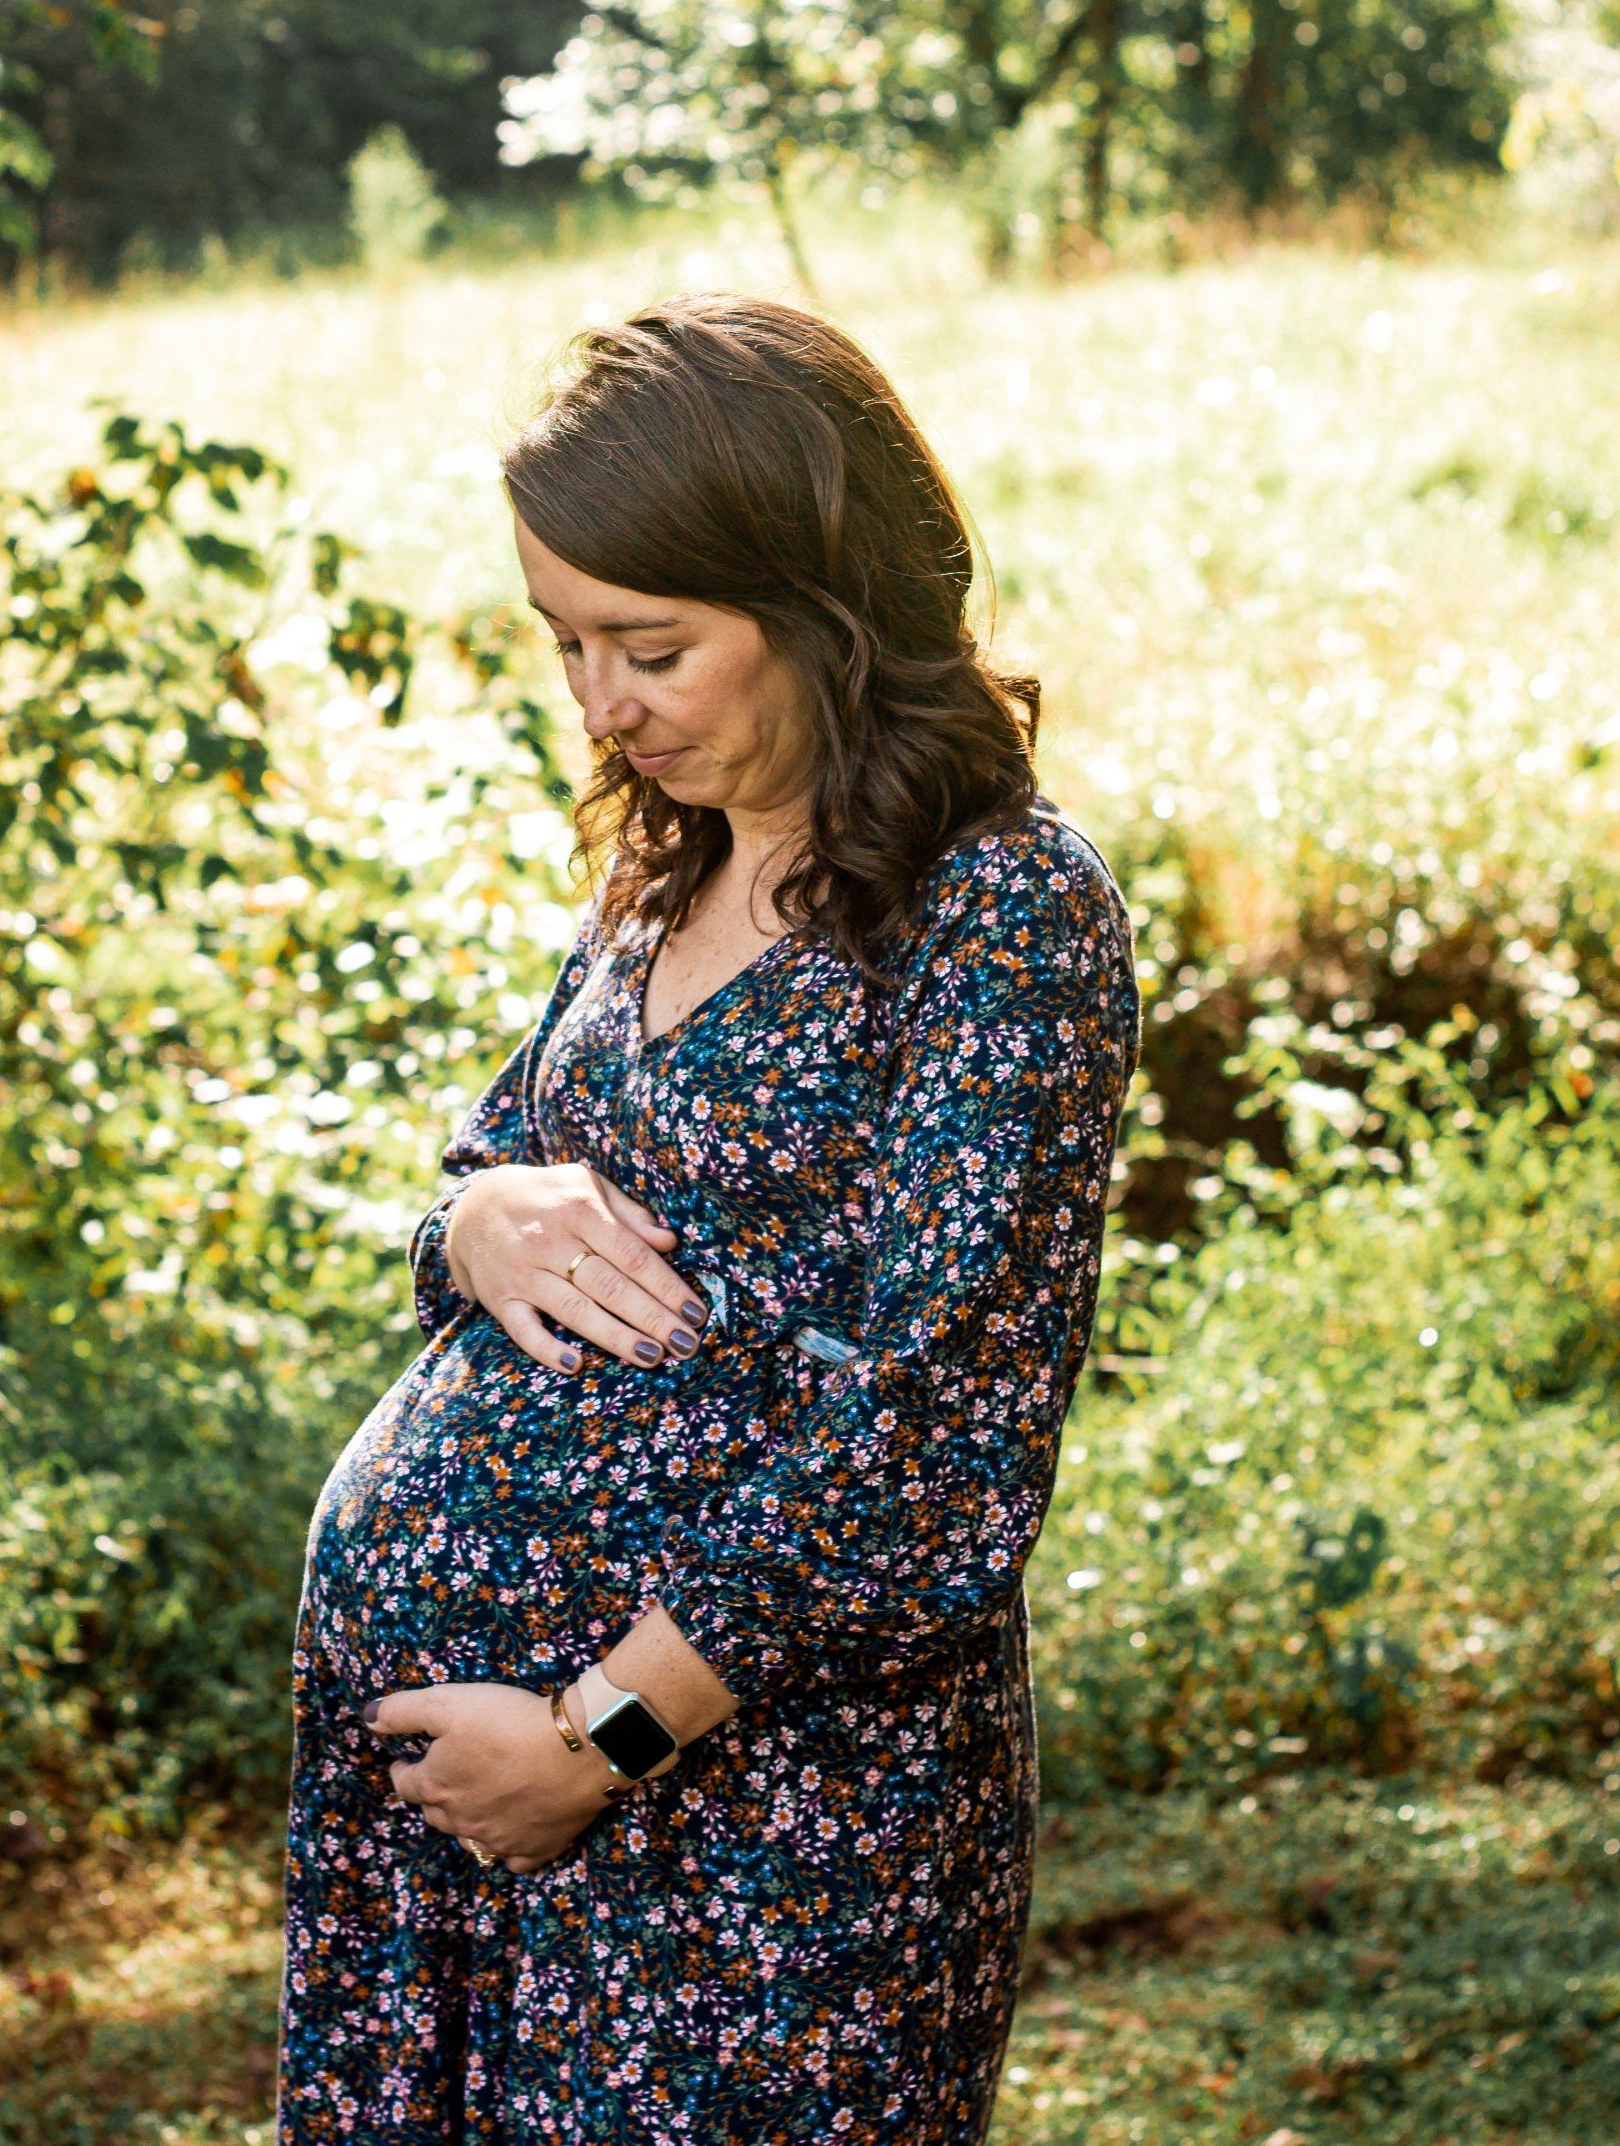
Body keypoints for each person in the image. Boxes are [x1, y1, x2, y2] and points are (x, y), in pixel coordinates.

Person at [277, 293, 1140, 2144]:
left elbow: (937, 1440)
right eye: (563, 642)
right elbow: (496, 1169)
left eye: (648, 646)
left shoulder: (999, 914)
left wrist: (599, 1739)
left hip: (758, 1827)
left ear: (825, 605)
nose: (598, 704)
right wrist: (471, 1225)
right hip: (457, 1819)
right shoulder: (669, 858)